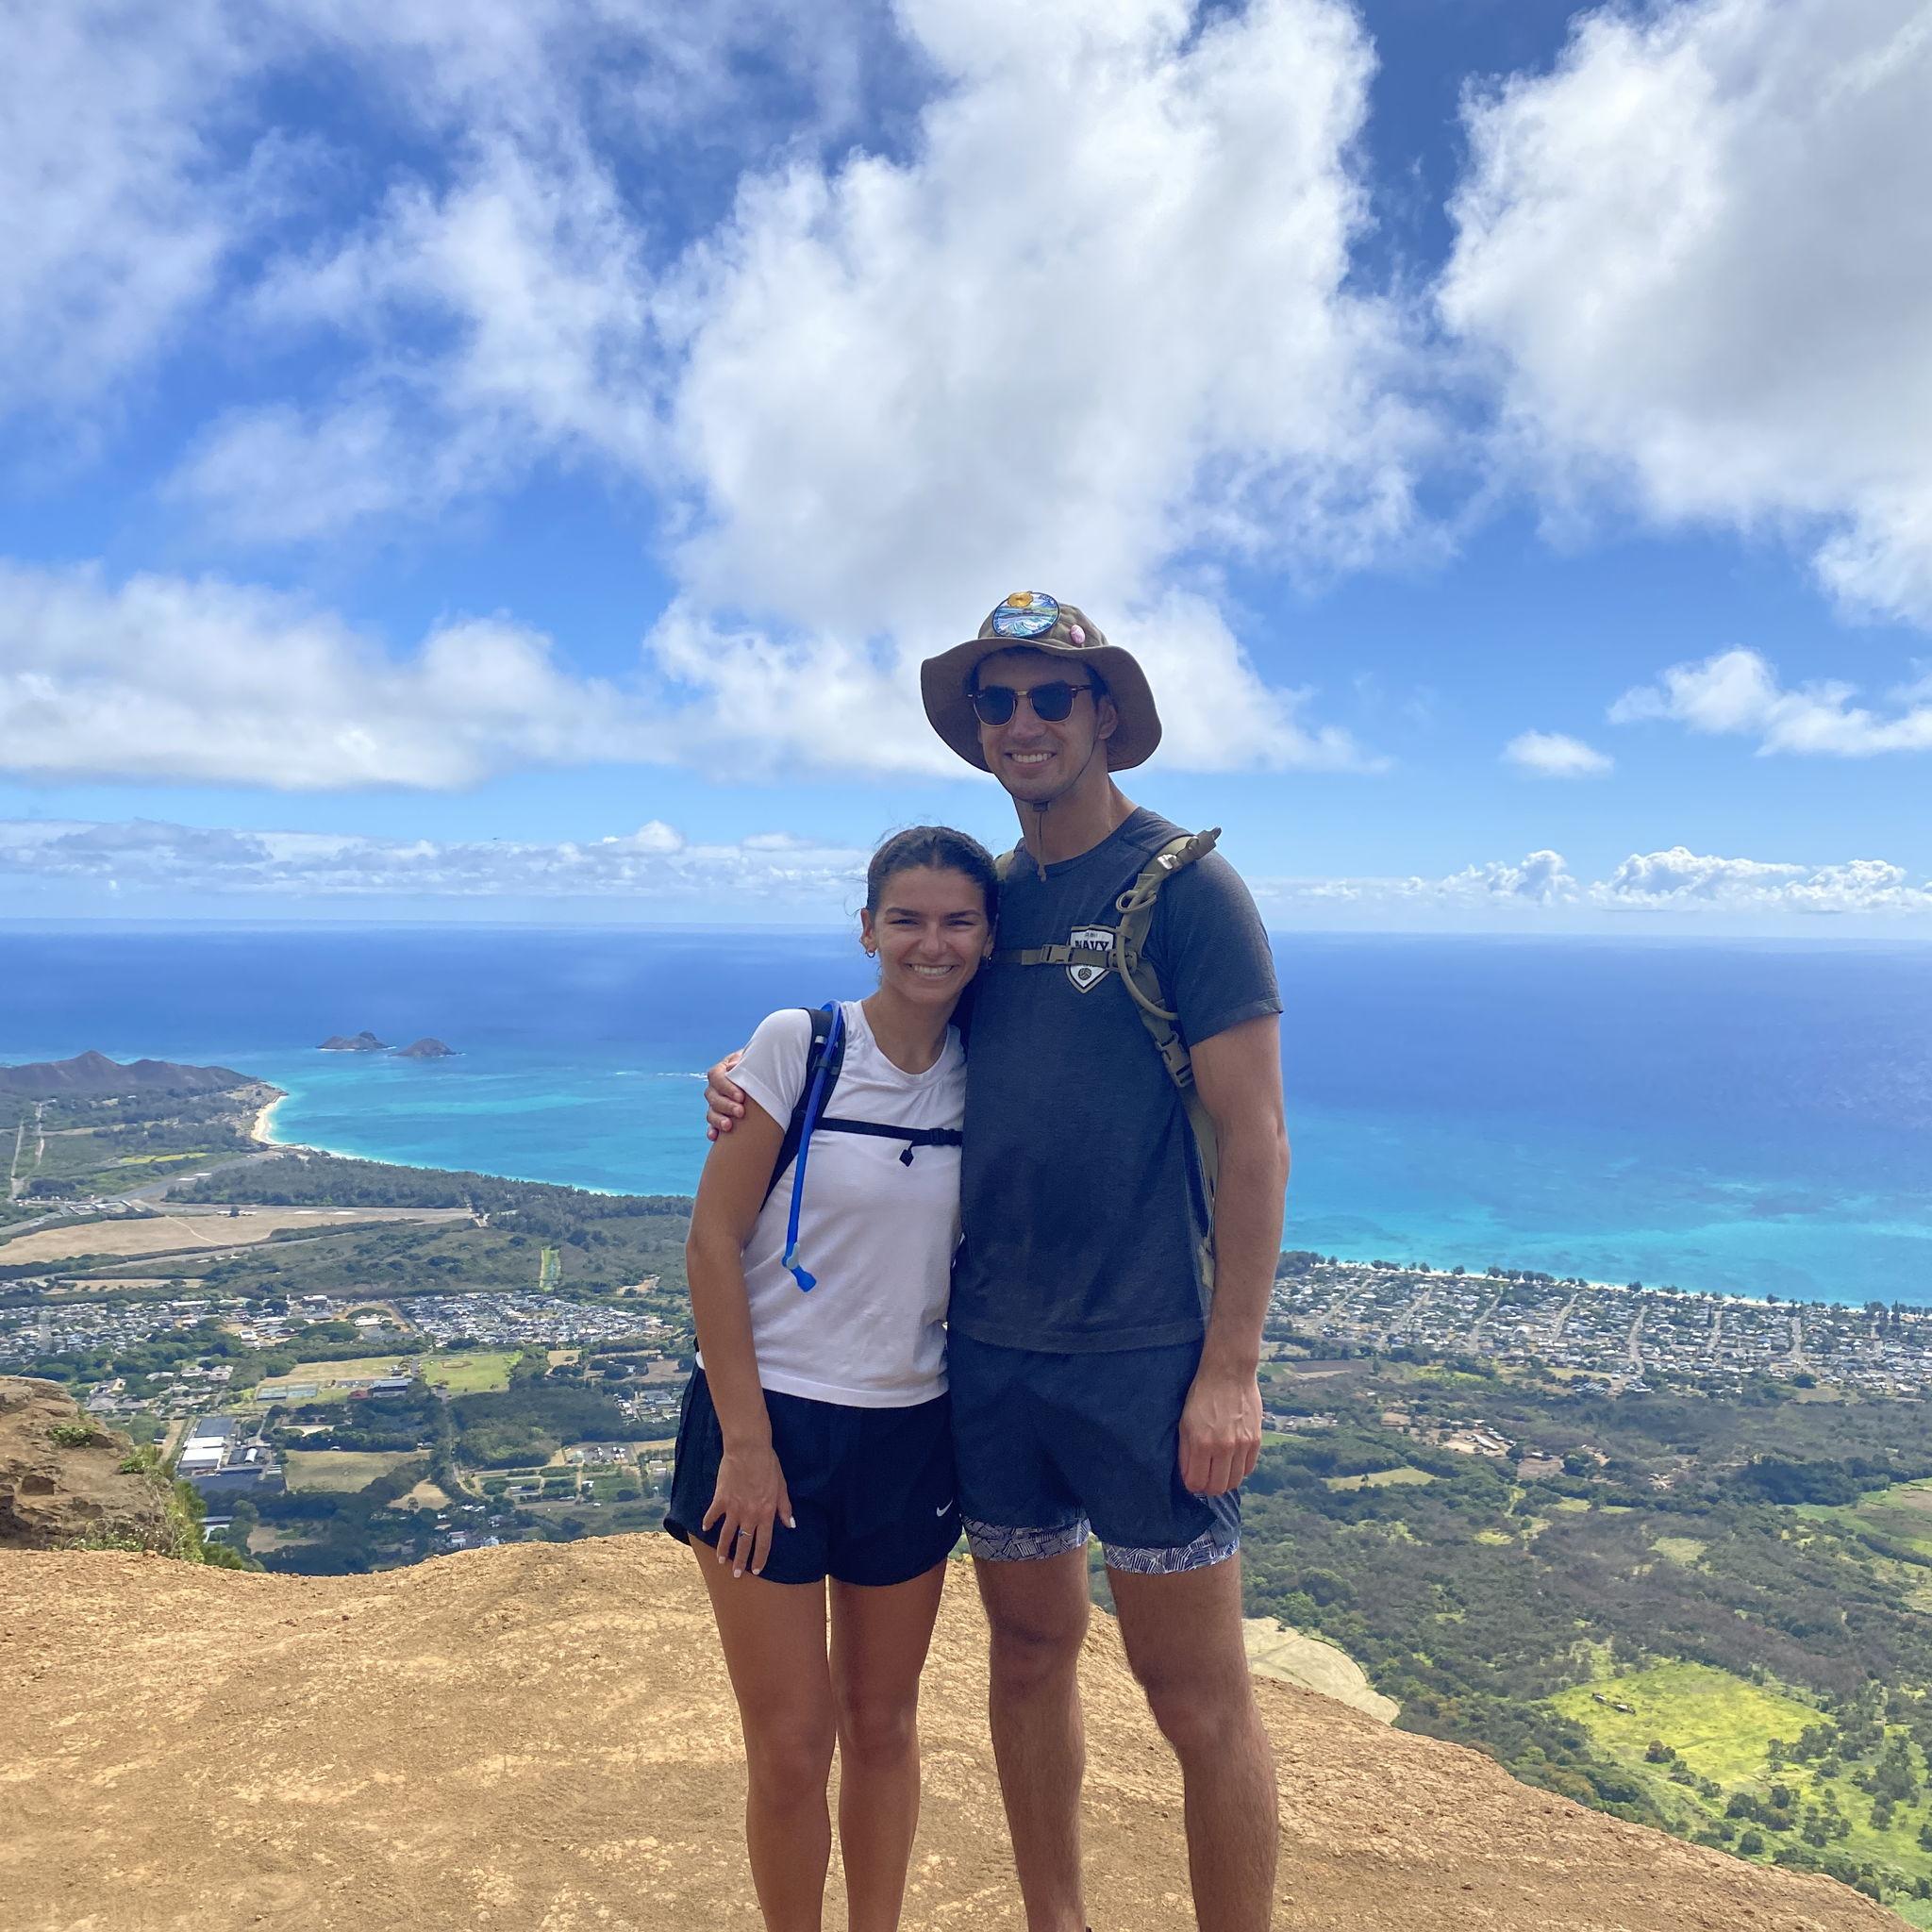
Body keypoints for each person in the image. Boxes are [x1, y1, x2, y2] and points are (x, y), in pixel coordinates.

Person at [708, 593, 1291, 1932]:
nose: (1021, 722)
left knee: (1195, 1700)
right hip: (991, 1362)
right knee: (1028, 1654)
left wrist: (1232, 1369)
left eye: (1048, 697)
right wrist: (747, 1089)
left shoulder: (1185, 891)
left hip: (1146, 1356)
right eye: (997, 701)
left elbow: (1256, 1140)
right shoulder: (986, 903)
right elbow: (891, 1045)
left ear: (1103, 717)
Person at [667, 824, 997, 1932]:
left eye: (956, 919)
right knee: (793, 1741)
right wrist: (748, 1446)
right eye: (905, 917)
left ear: (987, 938)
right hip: (766, 1423)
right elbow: (712, 1242)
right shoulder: (798, 1043)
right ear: (865, 928)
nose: (930, 942)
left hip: (910, 1428)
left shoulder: (989, 1074)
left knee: (886, 1723)